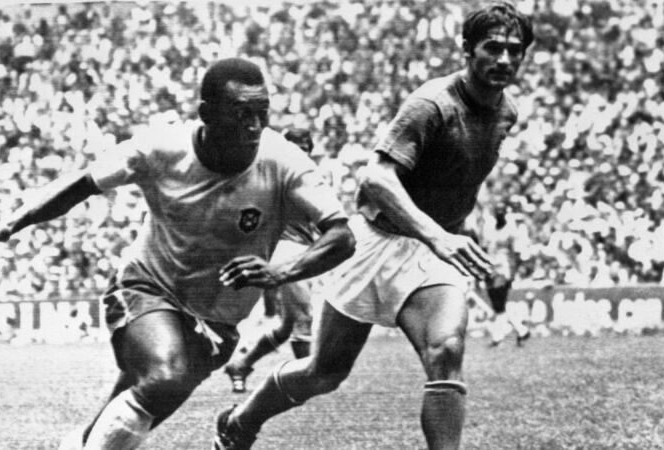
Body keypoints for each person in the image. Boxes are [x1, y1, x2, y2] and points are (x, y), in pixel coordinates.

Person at [0, 57, 356, 450]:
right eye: (241, 113)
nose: (254, 125)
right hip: (146, 285)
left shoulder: (284, 160)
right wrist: (10, 224)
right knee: (167, 375)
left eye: (261, 113)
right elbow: (83, 184)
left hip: (218, 319)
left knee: (141, 397)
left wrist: (279, 273)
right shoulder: (159, 147)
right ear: (207, 113)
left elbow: (341, 236)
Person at [213, 4, 534, 449]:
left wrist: (456, 232)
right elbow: (376, 178)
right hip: (376, 243)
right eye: (492, 47)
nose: (503, 59)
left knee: (446, 352)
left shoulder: (506, 112)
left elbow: (459, 176)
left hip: (431, 255)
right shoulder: (431, 104)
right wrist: (437, 233)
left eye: (514, 50)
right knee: (323, 372)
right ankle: (242, 422)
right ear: (466, 49)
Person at [224, 129, 317, 393]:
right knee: (303, 318)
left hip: (305, 249)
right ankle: (307, 378)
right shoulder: (274, 175)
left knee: (287, 325)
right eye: (296, 146)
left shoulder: (310, 176)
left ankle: (241, 363)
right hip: (284, 250)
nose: (302, 151)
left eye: (306, 147)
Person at [482, 204, 531, 347]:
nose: (499, 214)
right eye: (497, 212)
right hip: (491, 269)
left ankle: (498, 337)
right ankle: (522, 330)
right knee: (497, 305)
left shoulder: (511, 231)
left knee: (500, 303)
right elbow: (485, 248)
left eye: (501, 212)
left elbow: (516, 253)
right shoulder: (489, 230)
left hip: (504, 269)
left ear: (505, 215)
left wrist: (513, 273)